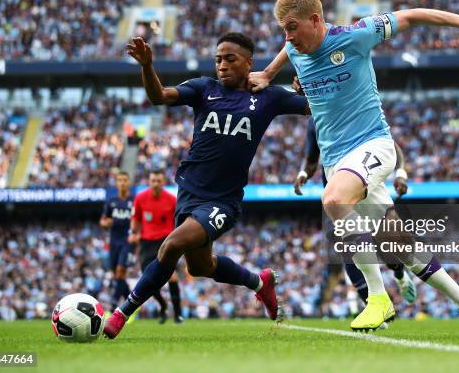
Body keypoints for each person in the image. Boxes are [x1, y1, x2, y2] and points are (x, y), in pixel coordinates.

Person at [249, 0, 459, 337]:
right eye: (283, 30)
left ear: (316, 20)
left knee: (334, 200)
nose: (288, 37)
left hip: (374, 145)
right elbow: (287, 49)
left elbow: (412, 14)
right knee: (402, 248)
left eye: (292, 27)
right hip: (336, 161)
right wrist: (266, 73)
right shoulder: (295, 47)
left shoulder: (356, 36)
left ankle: (379, 297)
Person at [104, 32, 310, 338]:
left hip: (223, 201)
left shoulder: (268, 97)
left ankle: (122, 313)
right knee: (200, 267)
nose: (222, 65)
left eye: (230, 59)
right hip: (188, 194)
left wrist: (308, 86)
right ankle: (259, 282)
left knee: (171, 245)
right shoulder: (204, 88)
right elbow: (159, 96)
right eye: (218, 60)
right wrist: (147, 65)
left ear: (249, 63)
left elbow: (313, 107)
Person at [295, 114, 416, 305]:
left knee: (387, 243)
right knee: (346, 246)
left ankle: (400, 274)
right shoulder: (315, 121)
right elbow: (311, 159)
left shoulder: (352, 108)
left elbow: (389, 145)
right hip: (338, 196)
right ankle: (371, 301)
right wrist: (303, 173)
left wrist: (400, 173)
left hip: (365, 187)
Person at [129, 169, 182, 324]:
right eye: (153, 180)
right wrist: (133, 232)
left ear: (163, 182)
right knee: (149, 278)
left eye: (159, 181)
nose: (156, 184)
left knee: (172, 277)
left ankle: (178, 314)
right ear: (149, 181)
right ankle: (163, 305)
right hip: (146, 243)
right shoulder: (140, 198)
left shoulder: (172, 199)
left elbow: (179, 220)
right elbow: (136, 218)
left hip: (166, 241)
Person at [99, 171, 134, 312]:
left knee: (120, 271)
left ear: (129, 182)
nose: (123, 182)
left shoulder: (135, 200)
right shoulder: (111, 201)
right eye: (120, 180)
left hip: (128, 241)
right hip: (114, 241)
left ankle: (113, 305)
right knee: (117, 275)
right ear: (117, 183)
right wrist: (105, 222)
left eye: (125, 180)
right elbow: (103, 220)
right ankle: (130, 302)